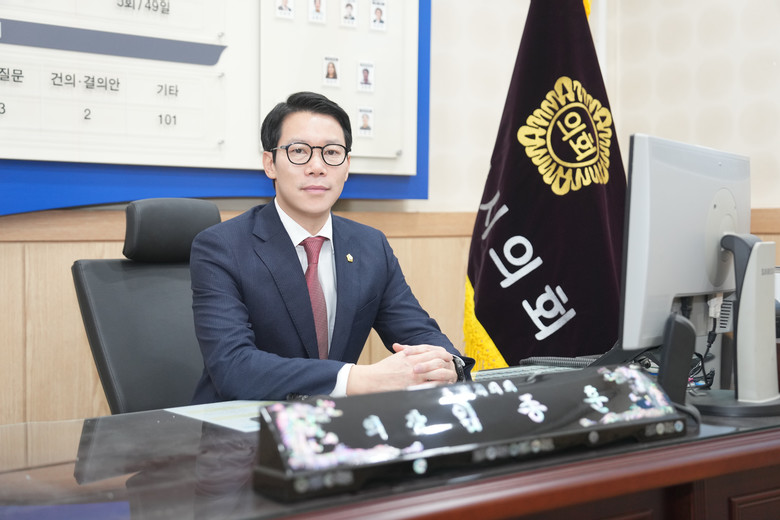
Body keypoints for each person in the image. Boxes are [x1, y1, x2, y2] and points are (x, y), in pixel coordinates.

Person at [190, 91, 473, 403]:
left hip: (334, 423)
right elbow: (234, 368)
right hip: (241, 423)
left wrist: (447, 365)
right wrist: (359, 378)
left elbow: (417, 331)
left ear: (347, 165)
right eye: (299, 151)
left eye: (332, 152)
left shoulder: (370, 245)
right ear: (270, 163)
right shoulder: (222, 247)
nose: (317, 167)